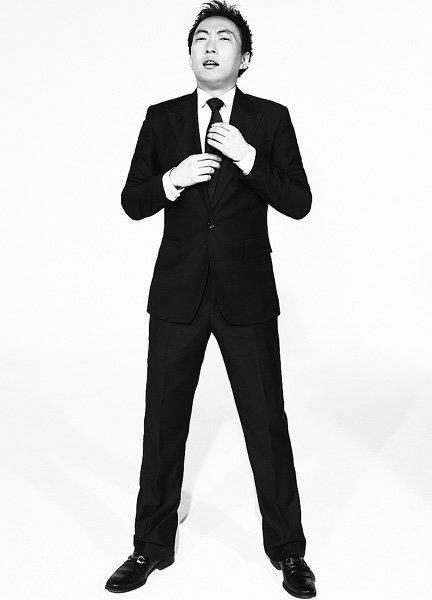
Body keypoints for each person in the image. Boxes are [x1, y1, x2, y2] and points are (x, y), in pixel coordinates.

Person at [105, 1, 316, 597]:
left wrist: (248, 157)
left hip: (247, 297)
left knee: (266, 424)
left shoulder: (270, 119)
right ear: (191, 53)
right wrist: (170, 181)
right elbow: (132, 201)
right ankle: (149, 548)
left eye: (224, 38)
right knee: (163, 422)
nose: (211, 46)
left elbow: (299, 202)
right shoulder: (163, 118)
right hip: (178, 294)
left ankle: (289, 552)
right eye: (201, 38)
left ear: (243, 59)